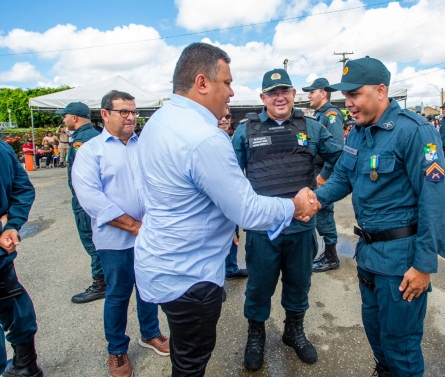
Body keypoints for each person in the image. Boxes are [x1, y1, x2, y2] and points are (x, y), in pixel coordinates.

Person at [134, 42, 320, 377]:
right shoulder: (205, 138)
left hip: (161, 264)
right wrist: (295, 205)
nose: (232, 92)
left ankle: (294, 329)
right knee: (191, 364)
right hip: (189, 276)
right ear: (203, 83)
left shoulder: (159, 121)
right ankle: (256, 334)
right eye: (227, 82)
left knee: (184, 353)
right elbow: (246, 210)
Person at [314, 57, 445, 376]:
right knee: (377, 336)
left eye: (355, 95)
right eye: (345, 97)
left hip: (402, 264)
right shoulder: (359, 132)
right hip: (369, 257)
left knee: (401, 347)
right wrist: (310, 200)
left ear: (381, 90)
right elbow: (342, 178)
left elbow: (435, 202)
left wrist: (424, 265)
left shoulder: (416, 132)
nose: (348, 104)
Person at [233, 69, 342, 371]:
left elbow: (342, 160)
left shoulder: (314, 127)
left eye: (285, 91)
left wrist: (322, 192)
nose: (279, 97)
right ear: (262, 98)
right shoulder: (246, 130)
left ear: (294, 94)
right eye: (272, 92)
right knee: (259, 286)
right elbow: (229, 179)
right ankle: (256, 334)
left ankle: (294, 330)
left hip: (301, 227)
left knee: (299, 283)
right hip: (261, 228)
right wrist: (232, 222)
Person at [72, 90, 170, 377]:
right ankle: (117, 349)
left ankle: (150, 333)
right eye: (123, 112)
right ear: (105, 114)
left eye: (133, 111)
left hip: (149, 235)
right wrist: (135, 226)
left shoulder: (146, 146)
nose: (131, 117)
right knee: (118, 293)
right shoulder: (91, 150)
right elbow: (91, 198)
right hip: (115, 239)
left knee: (148, 287)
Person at [0, 132, 43, 377]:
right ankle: (25, 364)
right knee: (12, 299)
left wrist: (6, 227)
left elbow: (22, 188)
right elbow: (23, 189)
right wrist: (8, 226)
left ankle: (24, 364)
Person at [56, 102, 107, 303]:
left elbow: (83, 175)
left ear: (74, 117)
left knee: (92, 241)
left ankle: (101, 283)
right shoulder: (91, 135)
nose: (64, 120)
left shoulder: (83, 140)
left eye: (65, 116)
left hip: (85, 202)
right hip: (89, 200)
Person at [302, 77, 345, 272]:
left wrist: (325, 175)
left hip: (323, 171)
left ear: (323, 93)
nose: (309, 95)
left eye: (312, 92)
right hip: (316, 169)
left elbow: (336, 149)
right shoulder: (319, 115)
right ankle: (326, 253)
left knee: (325, 211)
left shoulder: (332, 114)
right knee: (319, 211)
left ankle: (331, 256)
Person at [217, 111, 248, 285]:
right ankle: (215, 282)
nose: (224, 120)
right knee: (217, 238)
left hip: (232, 196)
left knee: (233, 234)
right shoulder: (207, 141)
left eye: (227, 117)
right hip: (215, 199)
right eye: (220, 117)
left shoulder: (232, 139)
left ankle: (231, 269)